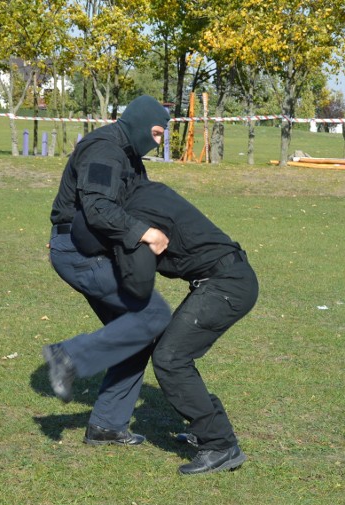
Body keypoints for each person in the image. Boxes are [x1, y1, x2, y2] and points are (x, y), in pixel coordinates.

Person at [72, 180, 259, 475]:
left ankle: (220, 445)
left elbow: (139, 285)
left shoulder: (138, 220)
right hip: (225, 278)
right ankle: (207, 429)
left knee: (170, 358)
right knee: (172, 353)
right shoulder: (145, 192)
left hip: (226, 285)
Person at [42, 95, 172, 446]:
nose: (158, 144)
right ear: (141, 124)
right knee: (153, 313)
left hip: (95, 250)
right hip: (77, 252)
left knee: (136, 332)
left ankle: (106, 426)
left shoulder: (128, 154)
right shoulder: (104, 149)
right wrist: (145, 234)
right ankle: (67, 357)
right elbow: (97, 208)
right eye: (157, 134)